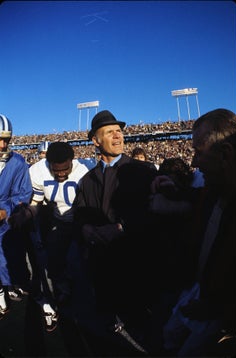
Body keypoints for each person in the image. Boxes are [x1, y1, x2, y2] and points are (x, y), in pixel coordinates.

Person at [60, 110, 158, 356]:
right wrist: (86, 229)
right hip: (100, 270)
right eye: (110, 132)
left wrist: (121, 228)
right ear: (95, 140)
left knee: (142, 334)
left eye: (119, 132)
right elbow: (79, 214)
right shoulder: (87, 180)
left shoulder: (144, 171)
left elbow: (156, 215)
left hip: (136, 269)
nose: (118, 137)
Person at [160, 108, 236, 357]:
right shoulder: (215, 191)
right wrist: (172, 189)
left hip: (221, 316)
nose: (193, 162)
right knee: (170, 336)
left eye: (198, 152)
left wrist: (222, 310)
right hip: (201, 292)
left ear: (225, 154)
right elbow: (198, 199)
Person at [9, 141, 89, 334]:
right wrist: (26, 214)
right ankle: (62, 288)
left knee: (82, 262)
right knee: (54, 259)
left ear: (72, 160)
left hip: (81, 221)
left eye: (65, 169)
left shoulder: (85, 169)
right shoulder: (38, 171)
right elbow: (36, 202)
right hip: (58, 222)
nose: (61, 174)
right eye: (56, 170)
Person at [0, 114, 33, 318]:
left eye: (6, 139)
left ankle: (7, 286)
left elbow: (23, 194)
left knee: (6, 258)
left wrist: (6, 210)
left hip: (5, 222)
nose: (3, 145)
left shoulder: (18, 162)